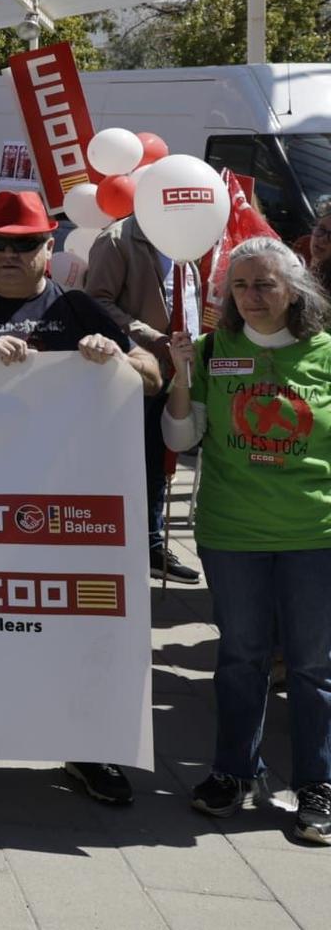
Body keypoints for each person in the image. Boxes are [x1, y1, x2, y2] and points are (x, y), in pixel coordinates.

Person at [0, 189, 159, 803]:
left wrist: (116, 358)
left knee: (73, 630)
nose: (10, 255)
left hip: (64, 511)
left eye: (25, 244)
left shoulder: (76, 309)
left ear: (50, 248)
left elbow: (153, 379)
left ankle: (87, 750)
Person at [161, 236, 331, 844]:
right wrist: (181, 375)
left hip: (315, 534)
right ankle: (234, 772)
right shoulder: (212, 351)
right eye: (240, 285)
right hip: (232, 534)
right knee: (241, 659)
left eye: (265, 285)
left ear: (296, 290)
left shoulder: (327, 353)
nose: (252, 297)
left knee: (314, 667)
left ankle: (319, 784)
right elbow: (181, 441)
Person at [88, 213, 201, 583]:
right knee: (132, 465)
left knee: (158, 463)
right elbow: (95, 302)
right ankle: (125, 548)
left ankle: (150, 546)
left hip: (176, 371)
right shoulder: (117, 240)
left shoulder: (189, 236)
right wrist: (151, 337)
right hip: (136, 373)